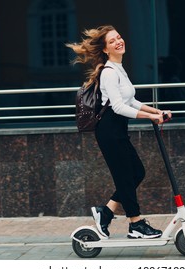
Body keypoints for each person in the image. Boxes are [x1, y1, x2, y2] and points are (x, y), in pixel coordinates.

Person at [67, 25, 172, 239]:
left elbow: (131, 100)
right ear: (106, 49)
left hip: (118, 131)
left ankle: (105, 212)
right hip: (109, 131)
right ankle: (136, 223)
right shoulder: (108, 72)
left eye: (119, 37)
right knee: (125, 177)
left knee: (136, 173)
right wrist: (151, 117)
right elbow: (118, 107)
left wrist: (157, 111)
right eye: (113, 40)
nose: (119, 41)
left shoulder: (119, 69)